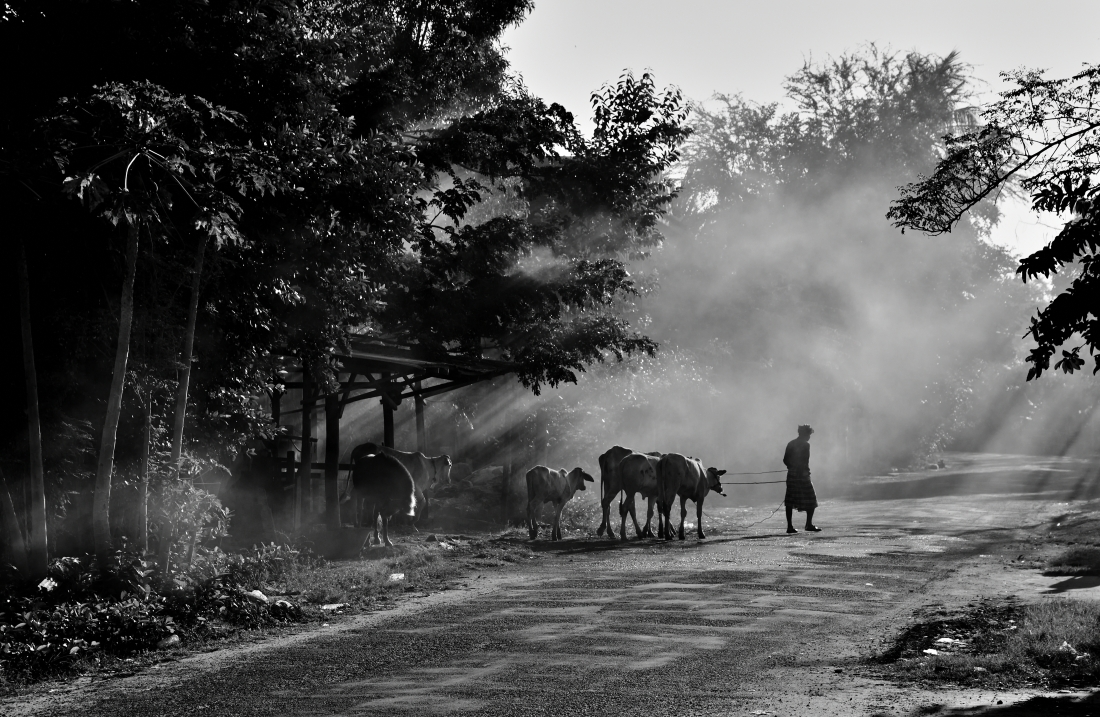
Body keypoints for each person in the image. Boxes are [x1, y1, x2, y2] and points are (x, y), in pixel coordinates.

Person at [783, 424, 820, 533]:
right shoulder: (805, 445)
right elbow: (805, 461)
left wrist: (792, 467)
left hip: (791, 474)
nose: (809, 437)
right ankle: (808, 524)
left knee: (790, 500)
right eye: (809, 435)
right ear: (805, 434)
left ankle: (789, 526)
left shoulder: (791, 444)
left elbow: (785, 460)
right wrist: (801, 471)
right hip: (803, 474)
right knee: (811, 498)